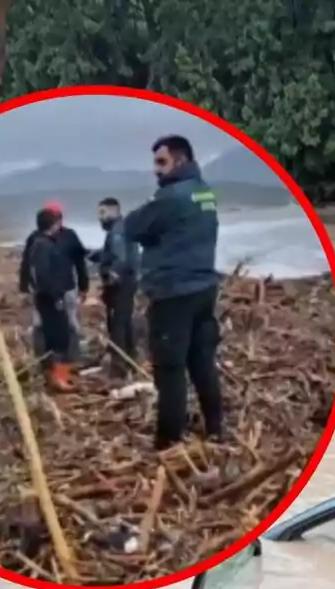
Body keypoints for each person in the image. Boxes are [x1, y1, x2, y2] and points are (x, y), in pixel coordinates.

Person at [123, 134, 223, 450]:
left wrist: (154, 238)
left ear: (180, 160)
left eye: (161, 162)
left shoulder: (170, 198)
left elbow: (132, 227)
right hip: (204, 287)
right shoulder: (204, 193)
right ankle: (217, 428)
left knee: (170, 368)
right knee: (202, 362)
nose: (156, 169)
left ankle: (169, 441)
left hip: (173, 293)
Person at [18, 202, 89, 363]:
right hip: (44, 292)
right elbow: (26, 264)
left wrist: (83, 286)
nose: (58, 221)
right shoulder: (36, 239)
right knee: (40, 324)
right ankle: (43, 360)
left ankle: (71, 360)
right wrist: (24, 288)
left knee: (70, 324)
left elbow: (80, 262)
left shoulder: (70, 235)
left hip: (67, 289)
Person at [24, 208, 77, 391]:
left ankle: (55, 377)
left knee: (56, 338)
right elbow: (42, 276)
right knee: (59, 339)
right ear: (53, 224)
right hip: (49, 299)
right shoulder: (43, 246)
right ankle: (58, 379)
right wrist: (56, 297)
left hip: (49, 297)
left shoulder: (41, 243)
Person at [90, 197, 140, 377]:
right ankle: (131, 361)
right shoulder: (122, 228)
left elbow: (121, 259)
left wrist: (111, 278)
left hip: (122, 285)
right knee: (125, 322)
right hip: (129, 282)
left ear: (114, 211)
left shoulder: (117, 231)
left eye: (103, 212)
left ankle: (119, 369)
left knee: (117, 324)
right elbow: (113, 253)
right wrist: (96, 255)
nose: (100, 217)